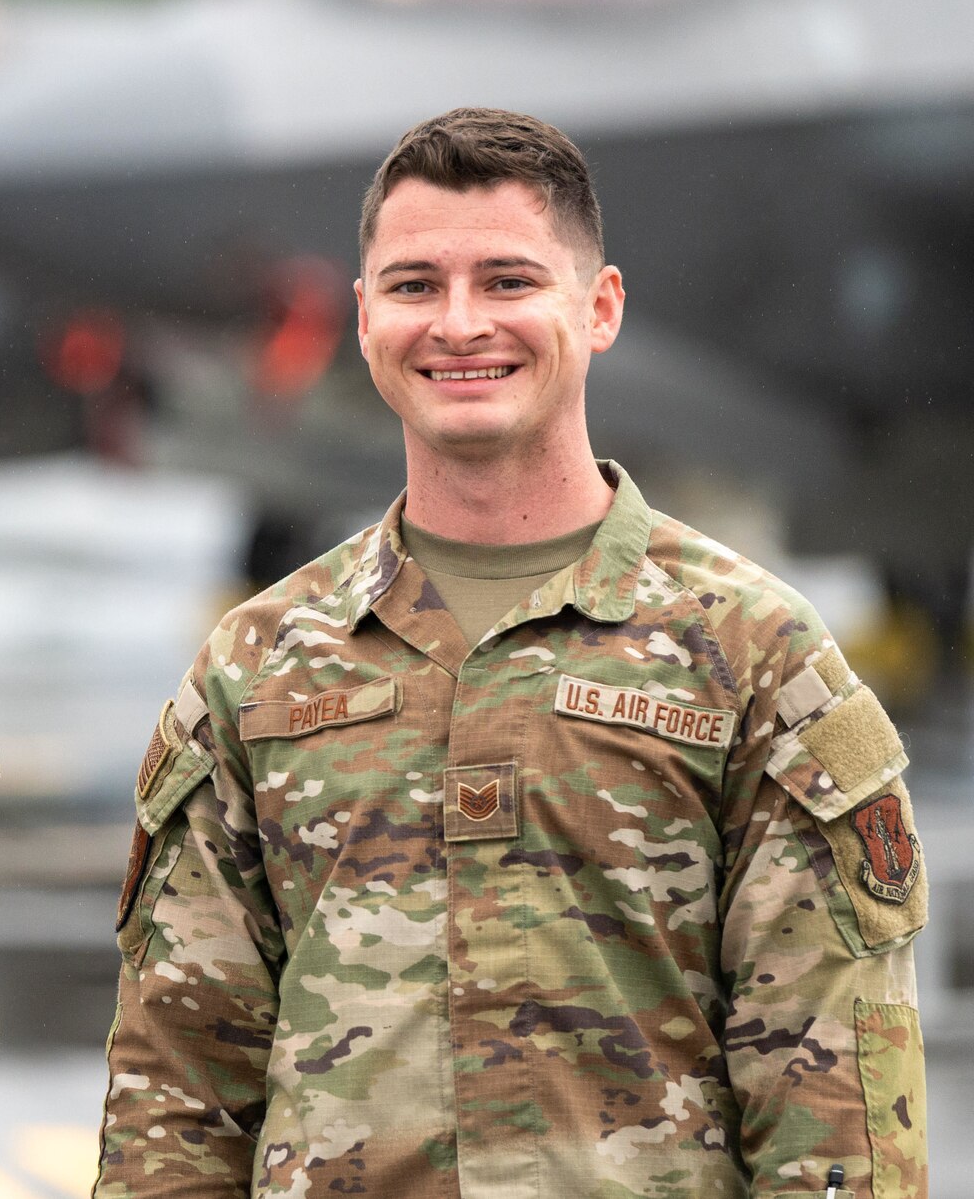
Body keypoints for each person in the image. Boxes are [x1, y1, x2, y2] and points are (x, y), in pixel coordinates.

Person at [94, 107, 927, 1198]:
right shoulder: (257, 666)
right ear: (361, 318)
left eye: (505, 281)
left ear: (599, 307)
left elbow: (838, 1112)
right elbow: (175, 1088)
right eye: (411, 285)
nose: (456, 324)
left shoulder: (752, 654)